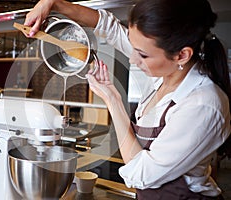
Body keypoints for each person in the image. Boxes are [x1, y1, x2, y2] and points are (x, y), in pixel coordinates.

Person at [24, 0, 231, 199]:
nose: (132, 59)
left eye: (141, 54)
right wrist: (54, 3)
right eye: (133, 46)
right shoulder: (163, 73)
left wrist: (113, 100)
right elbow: (109, 27)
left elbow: (140, 175)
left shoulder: (202, 105)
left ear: (182, 55)